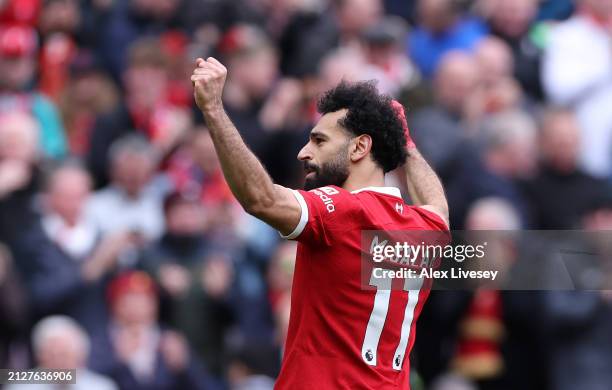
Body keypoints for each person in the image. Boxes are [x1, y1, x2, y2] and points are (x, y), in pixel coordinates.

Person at [191, 57, 448, 388]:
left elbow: (261, 199)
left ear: (359, 147)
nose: (303, 152)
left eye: (319, 140)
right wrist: (406, 146)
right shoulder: (426, 228)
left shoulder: (341, 211)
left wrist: (213, 109)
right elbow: (437, 205)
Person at [5, 315, 118, 390]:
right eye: (52, 355)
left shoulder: (102, 387)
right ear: (39, 357)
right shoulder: (18, 387)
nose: (59, 363)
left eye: (64, 355)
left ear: (81, 356)